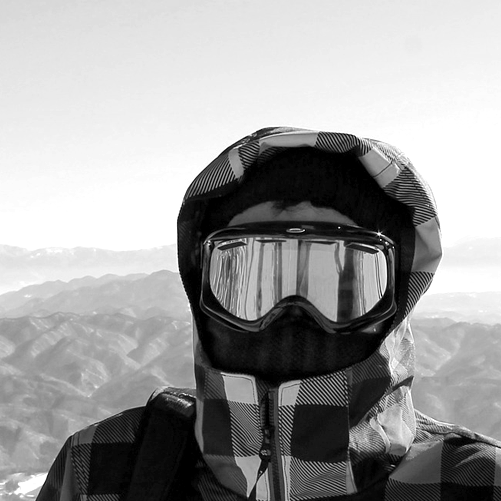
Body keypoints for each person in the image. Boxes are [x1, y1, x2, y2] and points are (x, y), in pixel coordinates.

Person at [38, 127, 501, 501]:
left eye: (339, 285)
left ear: (395, 301)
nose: (290, 312)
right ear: (200, 288)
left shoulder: (478, 483)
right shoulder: (101, 467)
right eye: (250, 281)